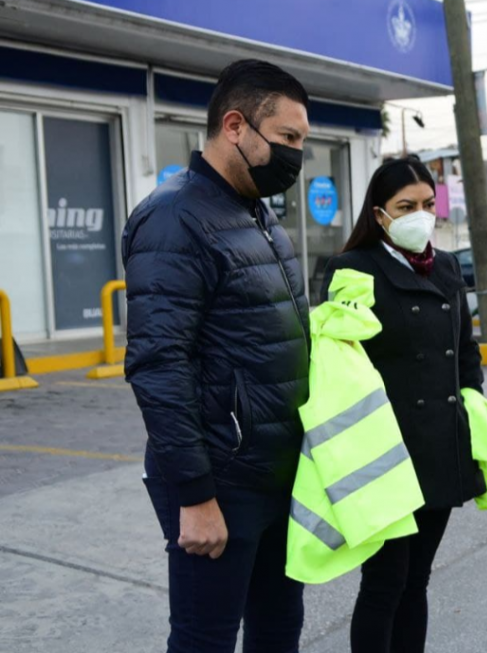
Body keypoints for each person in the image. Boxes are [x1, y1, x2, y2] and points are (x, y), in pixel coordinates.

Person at [122, 59, 311, 652]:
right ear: (235, 126)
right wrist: (196, 497)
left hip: (278, 474)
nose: (296, 156)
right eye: (288, 139)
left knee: (279, 629)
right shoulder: (175, 217)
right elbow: (158, 365)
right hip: (222, 481)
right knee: (206, 638)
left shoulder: (257, 212)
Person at [319, 157, 486, 653]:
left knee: (417, 580)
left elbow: (466, 351)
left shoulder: (449, 267)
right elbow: (337, 367)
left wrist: (471, 406)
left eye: (427, 205)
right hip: (384, 456)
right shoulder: (352, 270)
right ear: (380, 214)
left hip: (440, 448)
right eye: (405, 206)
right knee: (385, 581)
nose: (420, 215)